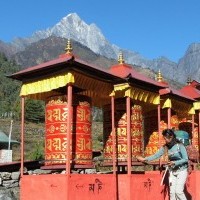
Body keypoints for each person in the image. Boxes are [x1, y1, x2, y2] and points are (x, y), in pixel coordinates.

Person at [136, 129, 189, 200]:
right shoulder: (165, 147)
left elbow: (185, 159)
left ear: (171, 137)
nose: (166, 140)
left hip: (182, 171)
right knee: (172, 193)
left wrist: (174, 162)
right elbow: (156, 155)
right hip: (172, 171)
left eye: (167, 138)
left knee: (178, 192)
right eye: (164, 138)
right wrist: (145, 159)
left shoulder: (180, 146)